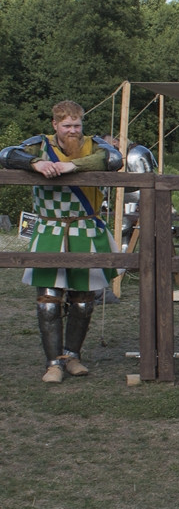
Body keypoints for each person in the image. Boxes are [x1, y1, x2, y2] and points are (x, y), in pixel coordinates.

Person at [0, 100, 123, 383]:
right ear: (55, 124)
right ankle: (53, 363)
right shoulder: (38, 145)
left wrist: (70, 166)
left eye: (77, 125)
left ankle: (72, 356)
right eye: (67, 125)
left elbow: (114, 160)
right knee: (48, 302)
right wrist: (36, 163)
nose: (73, 131)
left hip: (85, 228)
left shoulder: (94, 146)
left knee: (82, 302)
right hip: (50, 229)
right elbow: (6, 154)